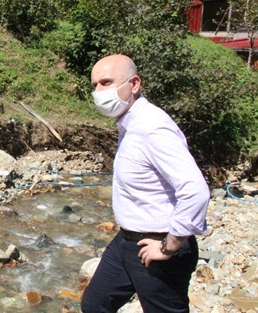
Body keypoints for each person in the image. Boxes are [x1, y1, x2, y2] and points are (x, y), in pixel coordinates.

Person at [80, 54, 210, 313]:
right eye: (95, 85)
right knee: (95, 304)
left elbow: (196, 191)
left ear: (134, 84)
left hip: (160, 245)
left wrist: (169, 246)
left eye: (106, 82)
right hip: (126, 241)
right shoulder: (129, 124)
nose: (98, 92)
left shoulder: (152, 128)